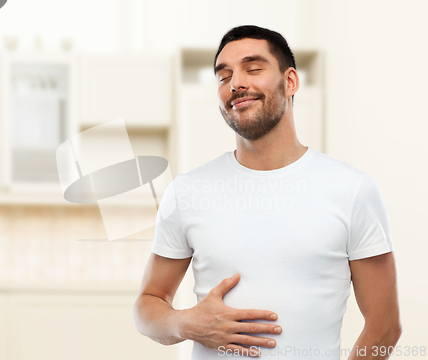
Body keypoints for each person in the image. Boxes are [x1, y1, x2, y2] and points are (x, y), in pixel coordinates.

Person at [133, 25, 401, 359]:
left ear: (290, 82)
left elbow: (385, 324)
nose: (236, 83)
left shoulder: (352, 190)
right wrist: (186, 323)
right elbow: (147, 306)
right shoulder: (188, 191)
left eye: (253, 68)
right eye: (224, 75)